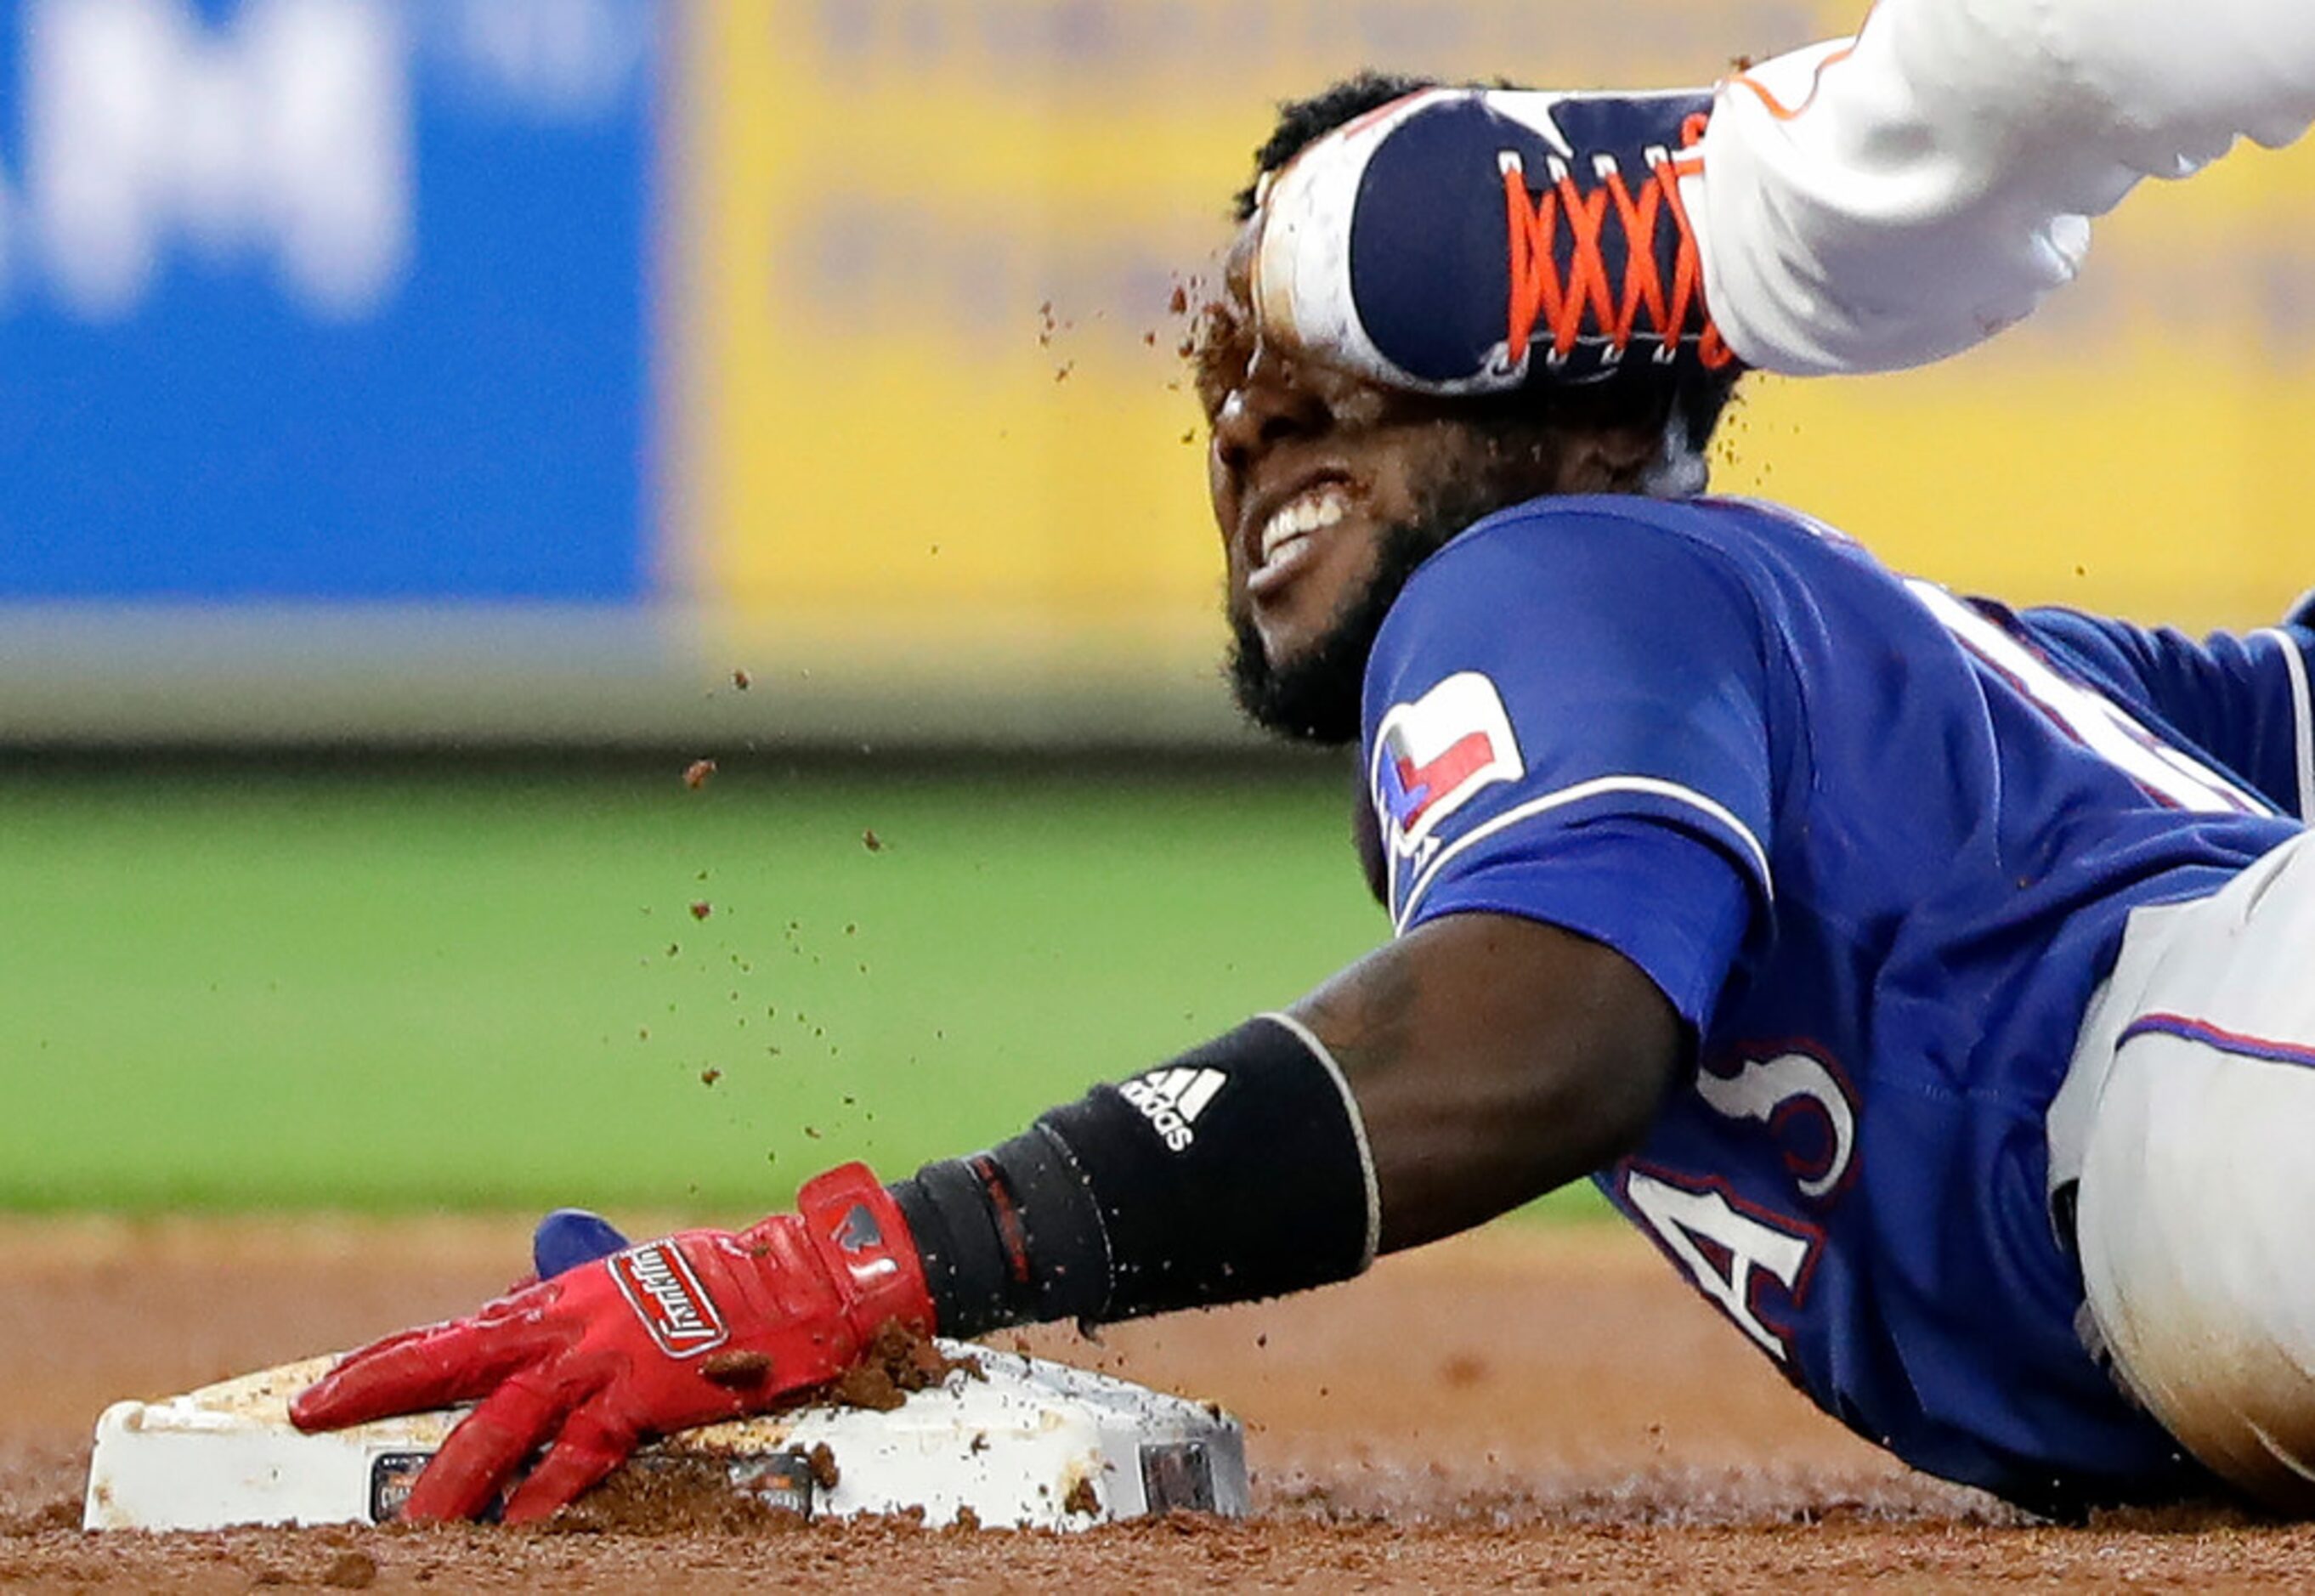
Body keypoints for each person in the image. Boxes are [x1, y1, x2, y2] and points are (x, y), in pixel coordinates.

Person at [294, 0, 2315, 1524]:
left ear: (1586, 400)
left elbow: (1542, 1028)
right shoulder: (1937, 683)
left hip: (2198, 1131)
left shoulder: (1552, 570)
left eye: (1328, 367)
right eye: (1228, 398)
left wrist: (865, 1259)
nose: (1252, 435)